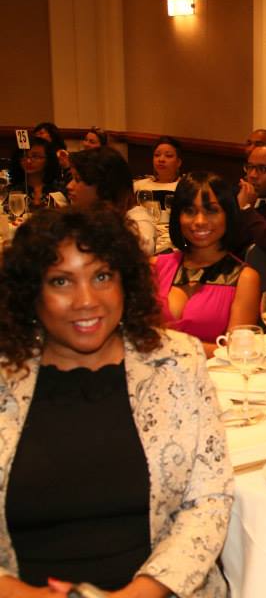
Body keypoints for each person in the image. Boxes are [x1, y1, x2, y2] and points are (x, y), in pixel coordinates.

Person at [0, 207, 232, 597]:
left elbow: (208, 500)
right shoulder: (6, 373)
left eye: (102, 276)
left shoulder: (177, 360)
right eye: (61, 281)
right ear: (30, 293)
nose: (86, 300)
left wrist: (139, 594)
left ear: (126, 281)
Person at [154, 172, 260, 357]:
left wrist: (170, 344)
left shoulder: (245, 279)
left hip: (217, 381)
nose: (200, 221)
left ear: (228, 214)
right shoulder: (155, 267)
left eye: (211, 210)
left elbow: (237, 353)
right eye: (190, 211)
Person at [67, 146, 156, 255]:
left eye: (77, 179)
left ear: (103, 186)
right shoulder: (81, 214)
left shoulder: (136, 216)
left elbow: (143, 249)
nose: (69, 186)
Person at [134, 136, 184, 252]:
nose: (161, 159)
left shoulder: (185, 186)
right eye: (157, 155)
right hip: (144, 235)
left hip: (173, 238)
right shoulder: (139, 185)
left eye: (168, 156)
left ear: (179, 162)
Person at [18, 139, 67, 209]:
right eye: (24, 156)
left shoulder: (59, 189)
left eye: (35, 156)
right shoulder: (13, 190)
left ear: (49, 160)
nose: (28, 161)